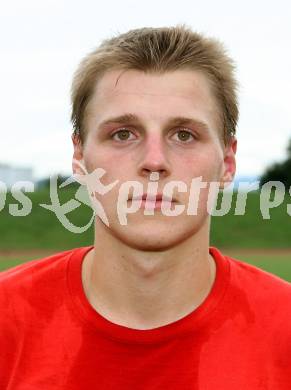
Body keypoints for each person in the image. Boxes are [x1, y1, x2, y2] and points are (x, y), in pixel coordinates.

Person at [0, 25, 290, 389]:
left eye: (184, 135)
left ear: (227, 163)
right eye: (123, 134)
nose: (154, 161)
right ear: (79, 157)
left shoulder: (285, 329)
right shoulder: (6, 319)